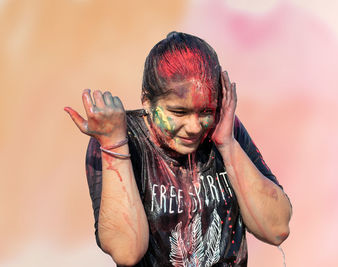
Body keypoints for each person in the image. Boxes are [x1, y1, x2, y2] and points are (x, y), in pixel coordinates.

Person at [65, 32, 292, 267]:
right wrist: (113, 144)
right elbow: (126, 251)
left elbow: (276, 229)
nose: (194, 127)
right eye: (179, 113)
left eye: (205, 111)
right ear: (147, 102)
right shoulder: (124, 138)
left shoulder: (223, 129)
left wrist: (228, 144)